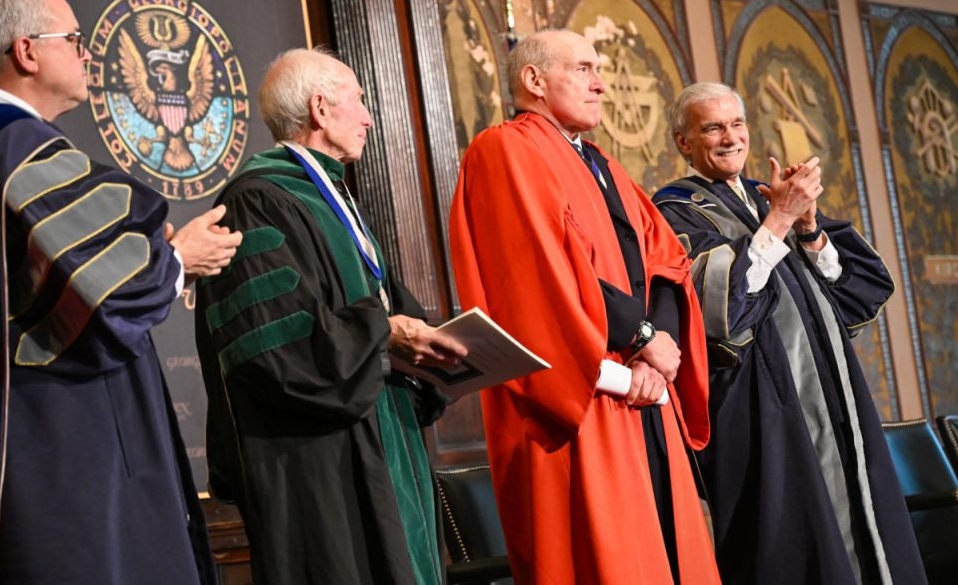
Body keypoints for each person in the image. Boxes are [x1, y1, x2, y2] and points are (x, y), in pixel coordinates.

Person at [0, 0, 242, 583]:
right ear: (26, 51)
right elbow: (111, 292)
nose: (87, 53)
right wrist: (180, 257)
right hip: (66, 449)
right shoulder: (16, 146)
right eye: (73, 38)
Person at [448, 29, 719, 584]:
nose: (600, 84)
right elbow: (539, 276)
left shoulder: (599, 162)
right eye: (583, 69)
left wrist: (656, 353)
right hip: (583, 398)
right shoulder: (504, 150)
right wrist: (644, 341)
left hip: (642, 391)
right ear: (534, 80)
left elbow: (665, 260)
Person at [194, 47, 466, 585]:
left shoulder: (331, 196)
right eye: (359, 100)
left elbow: (386, 305)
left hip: (383, 435)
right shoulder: (259, 201)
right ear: (320, 108)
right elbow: (278, 347)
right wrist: (384, 333)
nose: (368, 116)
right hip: (319, 460)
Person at [653, 82, 925, 585]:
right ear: (684, 142)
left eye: (737, 124)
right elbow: (720, 313)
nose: (729, 137)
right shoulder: (674, 212)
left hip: (832, 393)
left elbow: (847, 297)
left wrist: (806, 227)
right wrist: (779, 219)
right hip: (760, 409)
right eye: (712, 127)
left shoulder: (765, 197)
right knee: (793, 545)